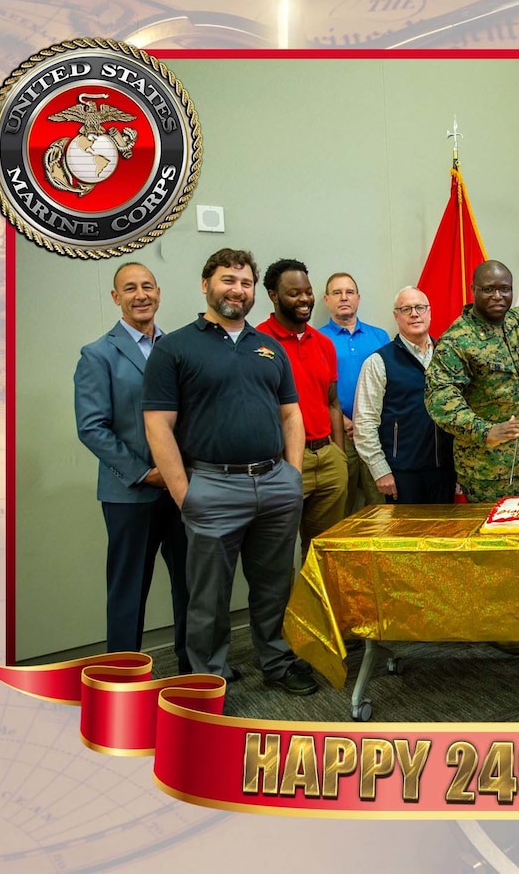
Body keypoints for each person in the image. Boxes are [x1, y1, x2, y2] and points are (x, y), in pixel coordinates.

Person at [142, 248, 316, 695]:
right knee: (209, 597)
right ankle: (208, 677)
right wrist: (184, 492)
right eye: (227, 280)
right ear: (206, 285)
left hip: (275, 483)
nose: (236, 290)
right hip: (212, 486)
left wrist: (292, 476)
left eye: (244, 283)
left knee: (276, 585)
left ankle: (277, 661)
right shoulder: (176, 348)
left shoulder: (269, 347)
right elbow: (158, 424)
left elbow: (291, 416)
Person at [74, 263, 191, 673]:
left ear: (159, 292)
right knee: (128, 591)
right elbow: (92, 428)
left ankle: (192, 668)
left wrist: (178, 473)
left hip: (180, 490)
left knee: (190, 585)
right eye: (130, 288)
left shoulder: (178, 348)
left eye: (147, 287)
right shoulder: (98, 354)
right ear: (115, 297)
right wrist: (145, 472)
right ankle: (120, 679)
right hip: (130, 494)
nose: (140, 295)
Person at [425, 260, 519, 503]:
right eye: (489, 289)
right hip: (490, 471)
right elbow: (439, 399)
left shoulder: (516, 320)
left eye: (505, 289)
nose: (498, 296)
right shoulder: (456, 340)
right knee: (502, 538)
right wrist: (485, 430)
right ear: (474, 290)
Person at [256, 259, 348, 557]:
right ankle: (285, 606)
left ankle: (318, 605)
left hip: (328, 459)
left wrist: (339, 453)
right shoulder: (257, 343)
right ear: (273, 295)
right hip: (283, 463)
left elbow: (332, 400)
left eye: (307, 292)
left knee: (324, 551)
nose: (304, 299)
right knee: (277, 553)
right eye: (294, 293)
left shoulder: (323, 343)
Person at [352, 287, 456, 504]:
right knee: (405, 538)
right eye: (406, 309)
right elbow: (365, 423)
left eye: (420, 307)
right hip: (402, 475)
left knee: (444, 537)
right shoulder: (379, 362)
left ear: (430, 312)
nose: (414, 314)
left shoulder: (448, 358)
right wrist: (380, 471)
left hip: (446, 471)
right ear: (396, 316)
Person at [317, 272, 389, 513]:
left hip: (375, 435)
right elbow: (315, 391)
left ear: (358, 298)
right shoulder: (316, 339)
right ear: (327, 300)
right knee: (339, 507)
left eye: (349, 292)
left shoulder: (380, 337)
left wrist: (365, 423)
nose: (344, 297)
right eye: (337, 293)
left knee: (380, 507)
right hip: (338, 436)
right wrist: (344, 421)